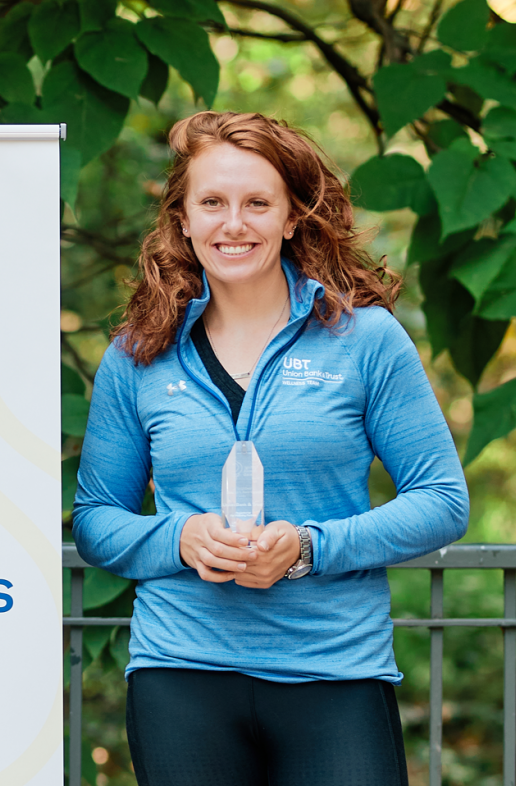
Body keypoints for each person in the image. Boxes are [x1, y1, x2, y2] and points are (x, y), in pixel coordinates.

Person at [71, 111, 469, 786]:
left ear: (291, 218)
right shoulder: (137, 355)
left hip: (335, 672)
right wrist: (180, 538)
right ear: (183, 219)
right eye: (212, 203)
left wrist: (310, 547)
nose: (234, 224)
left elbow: (442, 502)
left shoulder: (366, 340)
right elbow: (96, 520)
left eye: (257, 203)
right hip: (180, 674)